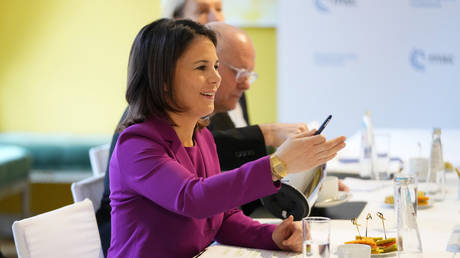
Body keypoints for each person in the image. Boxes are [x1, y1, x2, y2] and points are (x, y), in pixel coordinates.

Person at [108, 18, 346, 257]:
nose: (216, 78)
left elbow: (221, 217)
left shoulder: (202, 137)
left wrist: (271, 237)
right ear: (164, 80)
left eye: (216, 66)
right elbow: (193, 198)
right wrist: (277, 164)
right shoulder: (137, 144)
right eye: (202, 67)